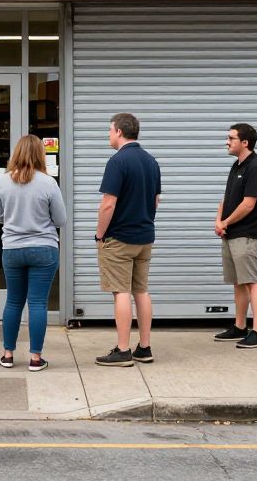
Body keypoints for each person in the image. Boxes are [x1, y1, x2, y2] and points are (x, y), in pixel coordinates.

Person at [0, 135, 67, 372]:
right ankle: (35, 358)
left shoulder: (4, 181)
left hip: (13, 249)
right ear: (40, 155)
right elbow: (60, 219)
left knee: (13, 301)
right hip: (44, 249)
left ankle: (7, 355)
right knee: (37, 302)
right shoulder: (48, 182)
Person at [94, 113, 161, 367]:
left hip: (120, 237)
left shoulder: (117, 162)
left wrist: (100, 234)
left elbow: (108, 204)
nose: (109, 134)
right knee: (141, 291)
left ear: (120, 132)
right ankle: (144, 347)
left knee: (121, 291)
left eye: (110, 130)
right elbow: (155, 200)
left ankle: (122, 350)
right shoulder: (151, 161)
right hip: (144, 236)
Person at [213, 123, 257, 349]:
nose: (227, 142)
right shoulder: (236, 166)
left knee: (251, 282)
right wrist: (219, 220)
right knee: (238, 282)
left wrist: (225, 222)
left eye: (231, 138)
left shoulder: (256, 167)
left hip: (248, 234)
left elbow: (248, 205)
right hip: (231, 233)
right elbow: (227, 199)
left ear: (245, 142)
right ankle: (239, 326)